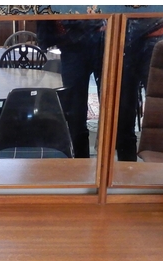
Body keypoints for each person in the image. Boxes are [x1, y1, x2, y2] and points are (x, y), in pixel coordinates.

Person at [38, 20, 105, 158]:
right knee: (75, 116)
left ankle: (120, 171)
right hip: (72, 43)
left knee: (114, 112)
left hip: (100, 37)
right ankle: (81, 165)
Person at [116, 18, 163, 161]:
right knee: (122, 112)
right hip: (121, 35)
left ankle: (160, 170)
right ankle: (127, 170)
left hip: (155, 31)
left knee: (162, 110)